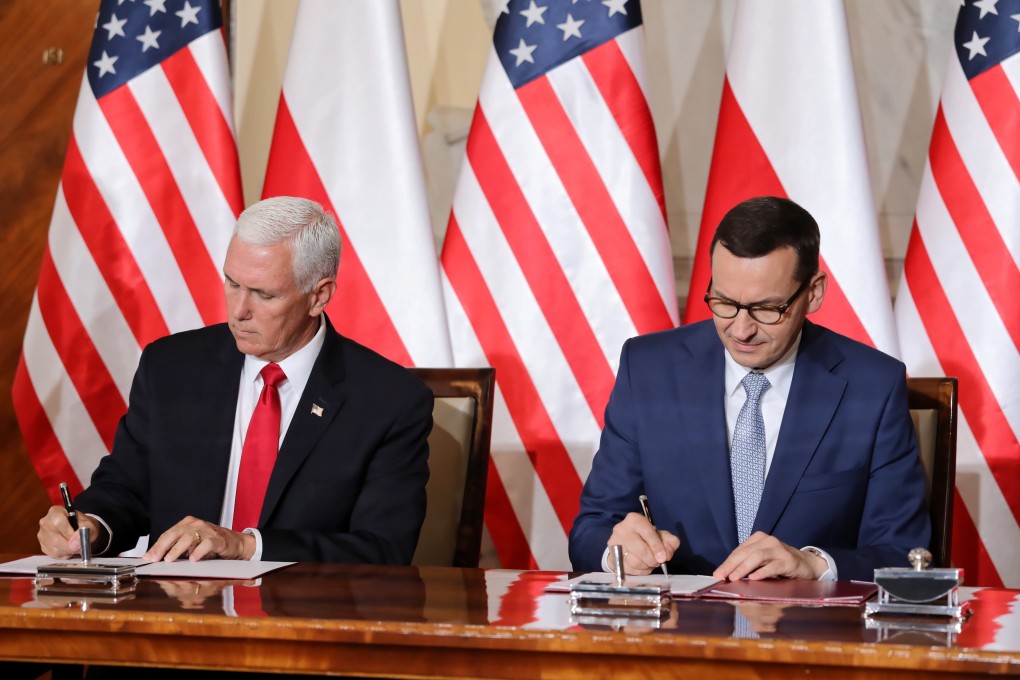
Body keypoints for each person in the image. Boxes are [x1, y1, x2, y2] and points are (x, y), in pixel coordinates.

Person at [37, 196, 433, 565]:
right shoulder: (172, 367)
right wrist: (90, 527)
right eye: (232, 283)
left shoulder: (388, 400)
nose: (238, 310)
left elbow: (383, 548)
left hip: (305, 621)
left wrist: (246, 546)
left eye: (264, 294)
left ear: (319, 296)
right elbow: (126, 488)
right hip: (175, 618)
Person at [569, 196, 930, 582]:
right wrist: (617, 553)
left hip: (807, 632)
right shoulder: (649, 370)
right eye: (724, 302)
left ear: (814, 292)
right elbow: (591, 530)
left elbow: (907, 556)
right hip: (677, 630)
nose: (741, 330)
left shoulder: (871, 387)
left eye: (767, 309)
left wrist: (816, 565)